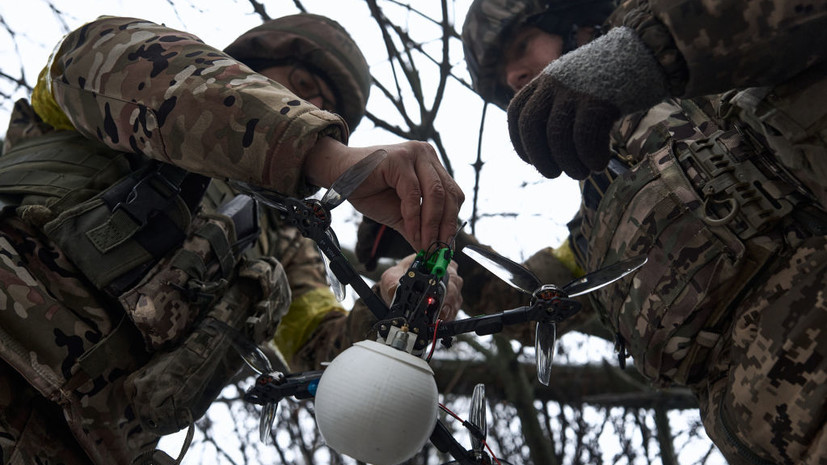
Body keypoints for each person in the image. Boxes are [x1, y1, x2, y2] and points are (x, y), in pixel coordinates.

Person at [0, 13, 463, 465]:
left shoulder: (281, 238)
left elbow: (323, 348)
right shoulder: (118, 86)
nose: (308, 102)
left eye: (324, 105)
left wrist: (393, 304)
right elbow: (104, 56)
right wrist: (323, 153)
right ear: (247, 64)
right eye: (300, 82)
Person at [461, 0, 827, 464]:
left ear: (573, 17)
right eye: (500, 82)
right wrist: (448, 249)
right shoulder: (596, 218)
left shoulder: (710, 60)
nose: (513, 78)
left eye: (521, 45)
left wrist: (652, 48)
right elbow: (539, 300)